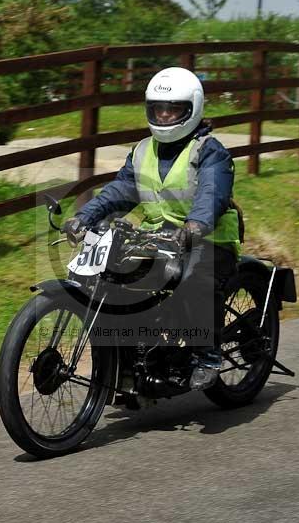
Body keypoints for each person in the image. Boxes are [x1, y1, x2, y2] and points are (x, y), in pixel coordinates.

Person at [62, 67, 242, 390]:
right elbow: (120, 191)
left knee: (191, 278)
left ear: (191, 109)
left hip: (210, 240)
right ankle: (134, 358)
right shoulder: (143, 151)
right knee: (115, 275)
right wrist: (85, 217)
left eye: (172, 109)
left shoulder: (209, 151)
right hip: (157, 238)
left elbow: (211, 195)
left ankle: (207, 354)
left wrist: (193, 228)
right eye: (158, 108)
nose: (164, 115)